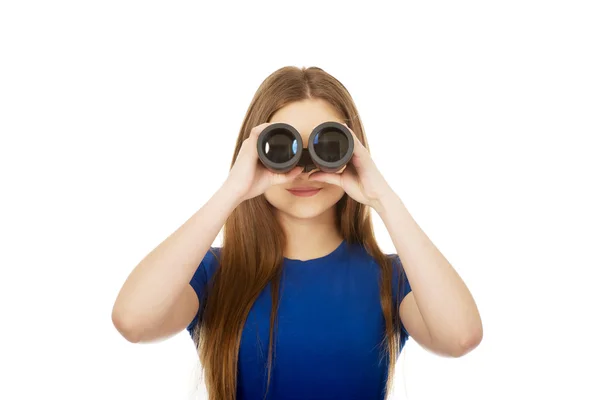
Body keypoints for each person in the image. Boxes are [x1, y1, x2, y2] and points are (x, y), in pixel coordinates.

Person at [112, 66, 483, 400]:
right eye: (280, 148)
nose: (303, 171)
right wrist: (233, 191)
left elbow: (460, 337)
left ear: (353, 154)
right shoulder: (213, 273)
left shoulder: (393, 279)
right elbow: (133, 321)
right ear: (253, 152)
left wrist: (382, 197)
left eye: (328, 147)